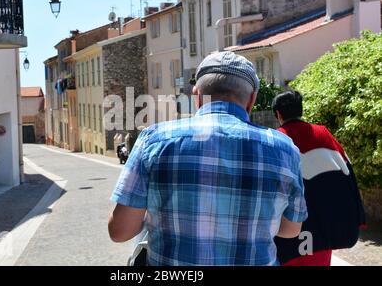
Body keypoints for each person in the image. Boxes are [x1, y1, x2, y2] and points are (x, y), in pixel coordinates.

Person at [108, 52, 308, 266]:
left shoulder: (154, 140)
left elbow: (119, 231)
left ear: (197, 97)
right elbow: (291, 230)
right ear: (251, 100)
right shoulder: (285, 150)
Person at [272, 91, 366, 266]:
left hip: (290, 237)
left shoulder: (275, 139)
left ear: (278, 114)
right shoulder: (324, 133)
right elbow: (348, 174)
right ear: (301, 109)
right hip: (324, 234)